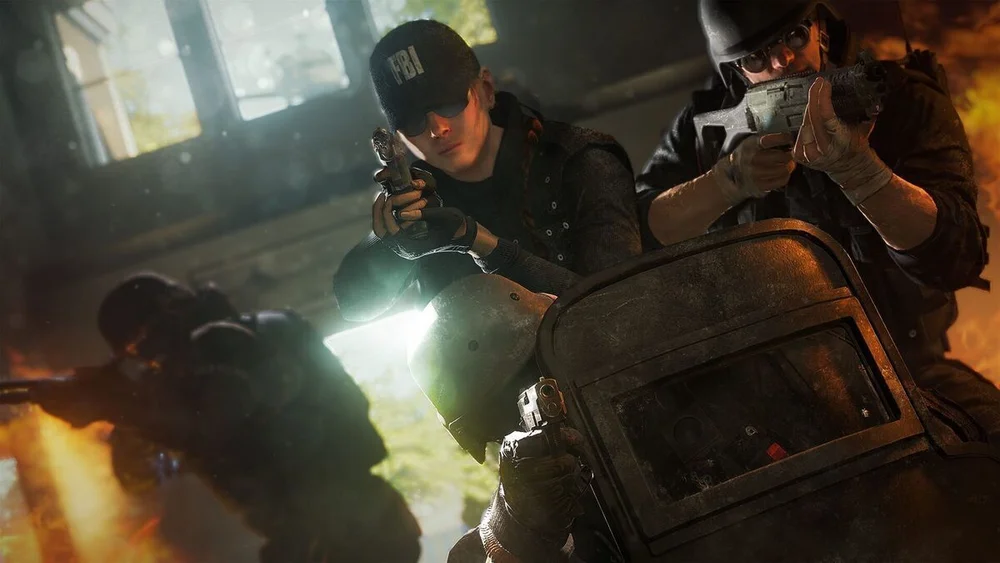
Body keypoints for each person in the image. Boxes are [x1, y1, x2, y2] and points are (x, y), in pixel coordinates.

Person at [635, 0, 1000, 441]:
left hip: (901, 364)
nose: (782, 61)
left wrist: (862, 172)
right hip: (759, 388)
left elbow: (957, 258)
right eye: (757, 58)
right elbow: (637, 238)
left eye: (794, 36)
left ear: (821, 28)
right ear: (735, 71)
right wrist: (726, 182)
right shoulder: (706, 125)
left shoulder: (898, 99)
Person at [33, 272, 421, 563]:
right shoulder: (177, 388)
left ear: (170, 314)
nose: (151, 359)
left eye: (145, 343)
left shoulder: (259, 338)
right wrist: (126, 416)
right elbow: (142, 476)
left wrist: (131, 409)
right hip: (313, 534)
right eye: (138, 354)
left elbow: (234, 423)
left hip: (351, 524)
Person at [332, 19, 642, 323]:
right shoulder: (420, 195)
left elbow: (619, 311)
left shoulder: (579, 161)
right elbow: (354, 306)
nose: (437, 129)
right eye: (413, 120)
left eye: (449, 104)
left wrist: (481, 244)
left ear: (486, 90)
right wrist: (389, 241)